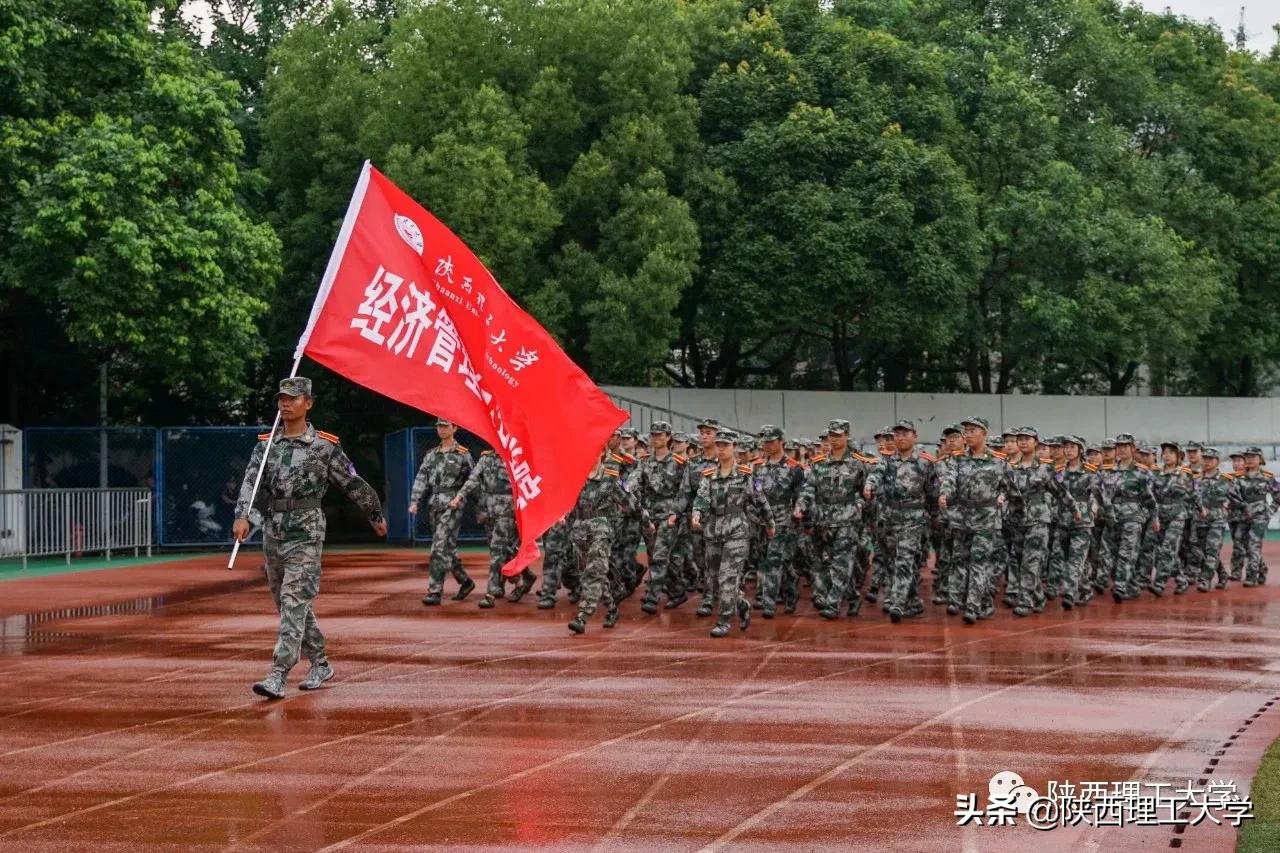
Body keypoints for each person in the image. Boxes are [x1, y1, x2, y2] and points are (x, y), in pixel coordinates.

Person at [233, 377, 386, 699]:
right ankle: (320, 662)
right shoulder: (266, 445)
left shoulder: (323, 446)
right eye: (281, 399)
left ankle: (278, 674)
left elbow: (352, 482)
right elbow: (251, 483)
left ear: (308, 403)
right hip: (274, 529)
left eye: (292, 398)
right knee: (288, 601)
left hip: (306, 530)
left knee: (293, 600)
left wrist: (373, 513)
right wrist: (242, 516)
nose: (285, 404)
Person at [692, 430, 774, 637]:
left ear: (734, 448)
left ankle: (724, 621)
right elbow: (701, 498)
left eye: (725, 445)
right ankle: (741, 604)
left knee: (727, 577)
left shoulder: (746, 475)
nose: (720, 449)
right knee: (715, 580)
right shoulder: (709, 475)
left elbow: (760, 500)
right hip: (713, 532)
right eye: (718, 445)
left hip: (737, 532)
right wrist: (696, 514)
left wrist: (770, 522)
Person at [796, 419, 872, 620]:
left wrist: (859, 507)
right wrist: (801, 505)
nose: (835, 439)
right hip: (822, 520)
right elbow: (809, 488)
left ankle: (833, 603)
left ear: (847, 435)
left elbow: (866, 494)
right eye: (832, 435)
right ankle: (852, 597)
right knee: (819, 563)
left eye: (839, 435)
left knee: (841, 564)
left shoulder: (859, 463)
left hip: (847, 521)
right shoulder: (819, 463)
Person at [863, 420, 937, 622]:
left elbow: (933, 493)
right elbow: (876, 476)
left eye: (905, 434)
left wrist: (933, 518)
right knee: (895, 562)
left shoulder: (925, 462)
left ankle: (897, 602)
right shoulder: (886, 461)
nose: (900, 437)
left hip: (914, 521)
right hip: (890, 520)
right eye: (897, 434)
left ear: (915, 436)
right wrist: (869, 485)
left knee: (904, 560)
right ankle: (913, 602)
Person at [567, 448, 647, 634]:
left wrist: (646, 519)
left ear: (601, 454)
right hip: (580, 532)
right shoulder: (576, 478)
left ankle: (582, 616)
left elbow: (629, 502)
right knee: (594, 573)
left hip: (601, 531)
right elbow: (567, 502)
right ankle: (612, 609)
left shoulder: (610, 479)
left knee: (593, 573)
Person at [939, 416, 1008, 624]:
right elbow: (949, 480)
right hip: (962, 517)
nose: (967, 435)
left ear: (984, 434)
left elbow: (1009, 486)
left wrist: (1003, 495)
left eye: (972, 431)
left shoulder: (998, 461)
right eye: (966, 431)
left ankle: (973, 605)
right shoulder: (957, 460)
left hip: (986, 518)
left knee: (979, 561)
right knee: (959, 559)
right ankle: (957, 600)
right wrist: (944, 494)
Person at [450, 448, 536, 608]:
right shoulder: (485, 459)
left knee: (497, 551)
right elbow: (472, 479)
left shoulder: (516, 459)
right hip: (489, 511)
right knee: (504, 550)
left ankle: (490, 593)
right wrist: (459, 495)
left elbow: (527, 484)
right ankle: (524, 577)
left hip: (507, 511)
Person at [409, 418, 476, 605]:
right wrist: (415, 501)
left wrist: (479, 507)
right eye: (439, 426)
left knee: (438, 547)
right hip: (435, 504)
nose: (442, 430)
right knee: (447, 548)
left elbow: (473, 481)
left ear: (455, 428)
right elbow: (421, 479)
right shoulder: (431, 455)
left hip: (453, 506)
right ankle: (465, 581)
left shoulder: (463, 454)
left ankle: (435, 591)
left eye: (446, 426)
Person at [629, 421, 692, 613]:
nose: (656, 439)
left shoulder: (680, 463)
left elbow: (685, 491)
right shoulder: (645, 462)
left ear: (668, 437)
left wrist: (676, 513)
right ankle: (678, 591)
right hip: (649, 516)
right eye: (654, 435)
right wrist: (630, 495)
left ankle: (652, 598)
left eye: (660, 435)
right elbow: (633, 483)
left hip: (669, 516)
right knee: (658, 556)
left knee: (659, 556)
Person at [752, 424, 805, 618]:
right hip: (761, 520)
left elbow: (801, 494)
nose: (767, 445)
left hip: (783, 519)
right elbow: (755, 492)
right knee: (774, 561)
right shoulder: (757, 467)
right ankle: (791, 592)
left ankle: (769, 603)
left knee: (773, 561)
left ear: (781, 442)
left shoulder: (794, 468)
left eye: (771, 441)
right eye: (764, 441)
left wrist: (799, 510)